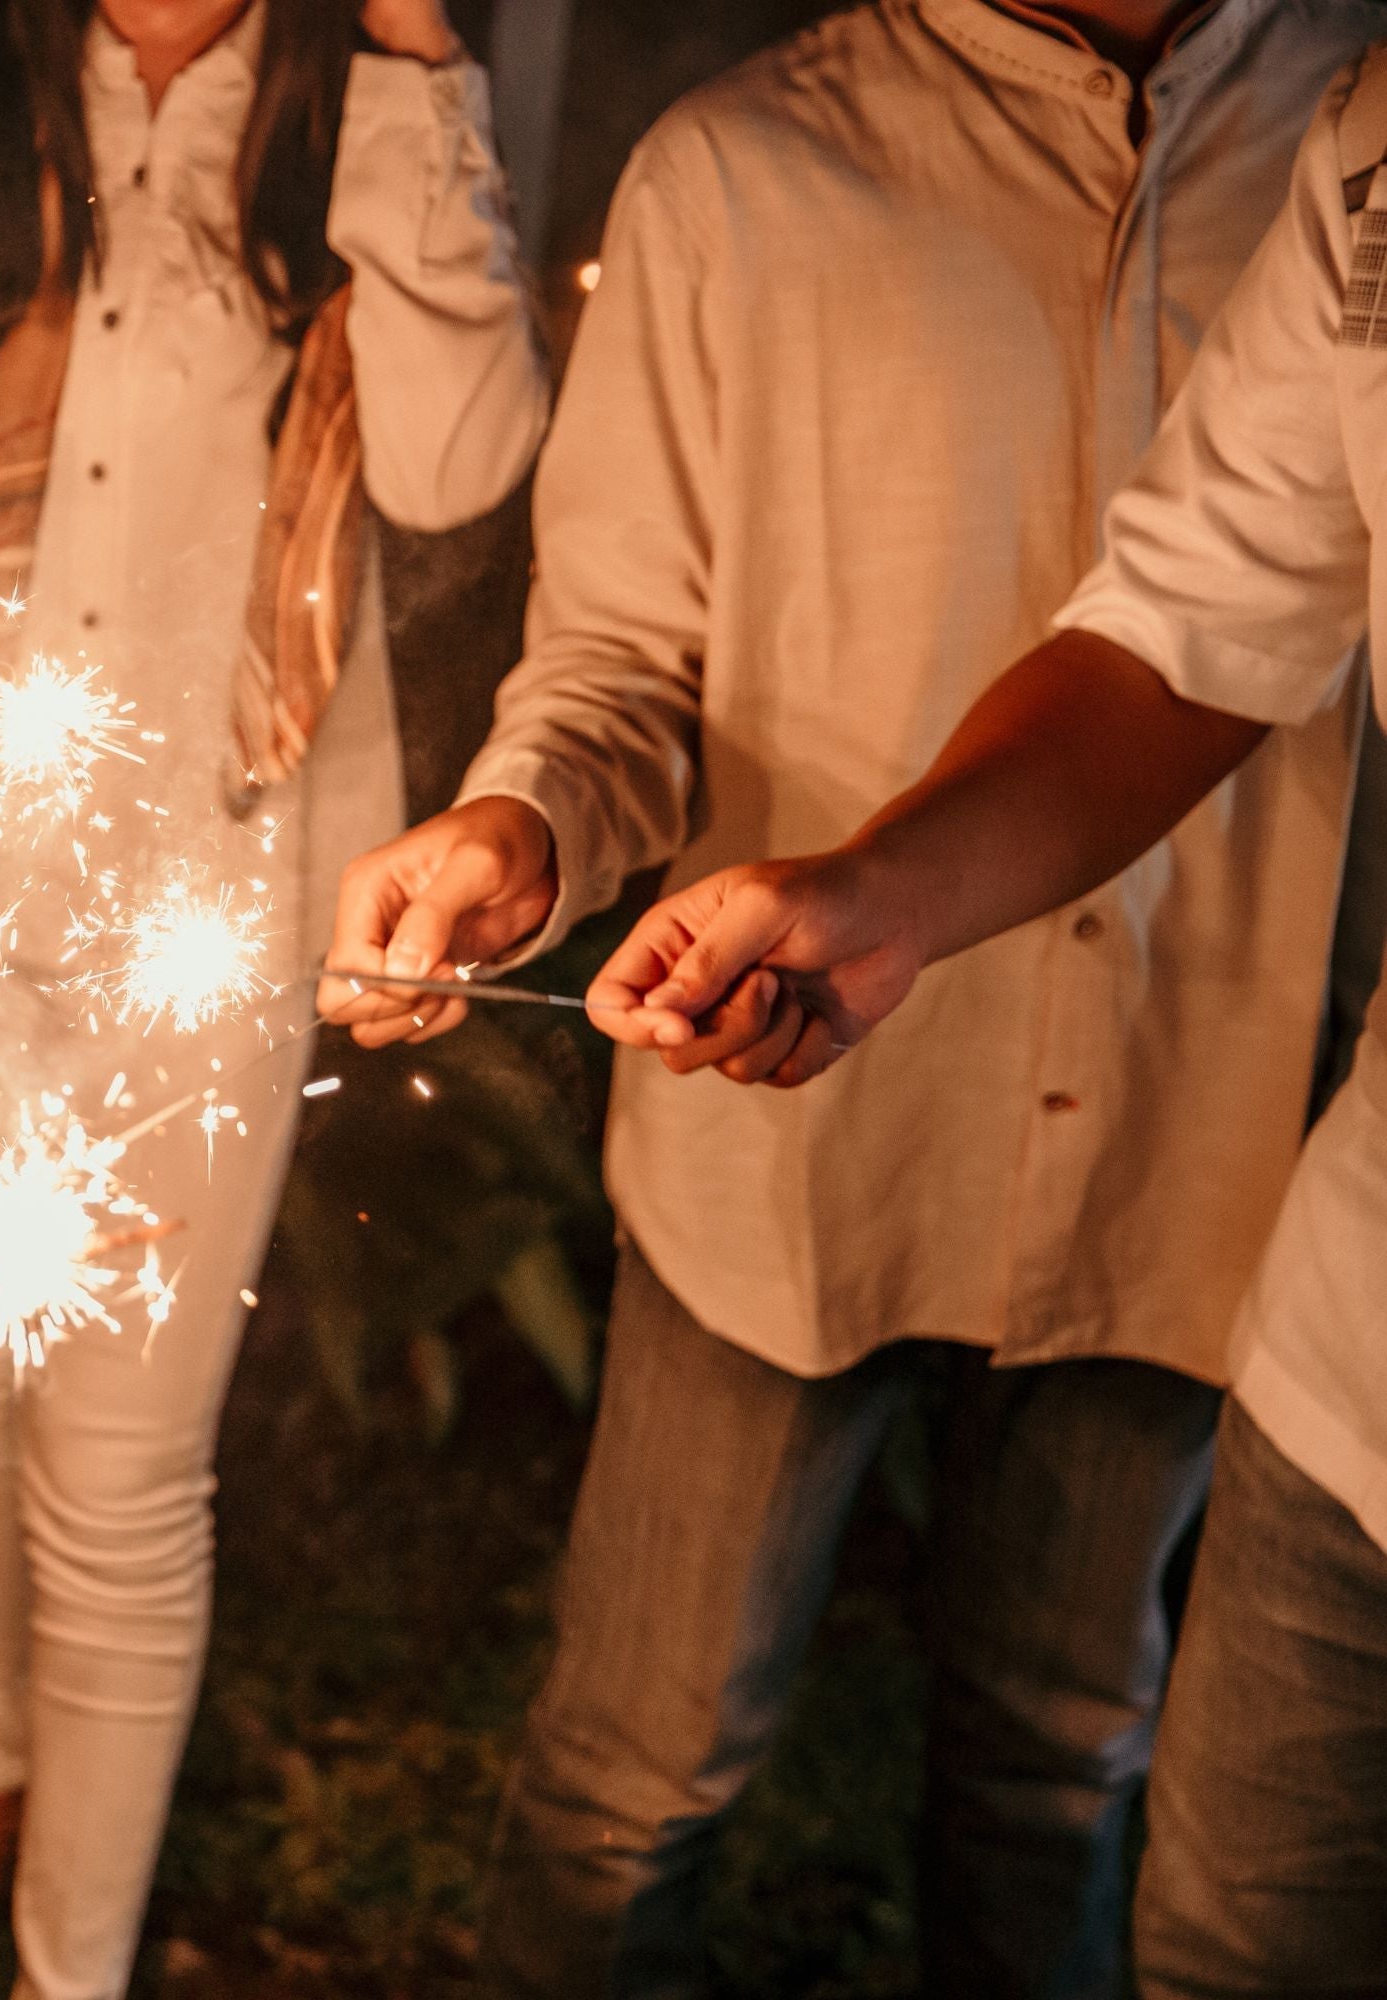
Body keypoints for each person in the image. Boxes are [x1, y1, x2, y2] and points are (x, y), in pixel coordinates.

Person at [316, 0, 1384, 1991]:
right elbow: (621, 649)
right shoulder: (743, 171)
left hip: (1185, 1150)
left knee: (1066, 1771)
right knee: (637, 1776)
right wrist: (519, 825)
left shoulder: (1341, 123)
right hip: (787, 1143)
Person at [0, 0, 546, 1990]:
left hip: (213, 886)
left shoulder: (367, 110)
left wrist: (421, 58)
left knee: (116, 1473)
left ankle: (67, 1965)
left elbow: (456, 461)